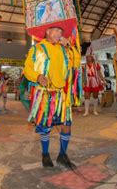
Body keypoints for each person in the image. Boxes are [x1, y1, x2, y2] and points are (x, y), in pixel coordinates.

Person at [24, 27, 80, 169]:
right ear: (47, 32)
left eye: (61, 32)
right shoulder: (37, 49)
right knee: (45, 126)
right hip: (44, 93)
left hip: (62, 94)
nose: (60, 34)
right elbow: (27, 68)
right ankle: (45, 154)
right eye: (56, 31)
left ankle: (62, 155)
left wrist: (70, 47)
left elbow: (76, 64)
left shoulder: (64, 49)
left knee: (67, 125)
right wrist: (37, 76)